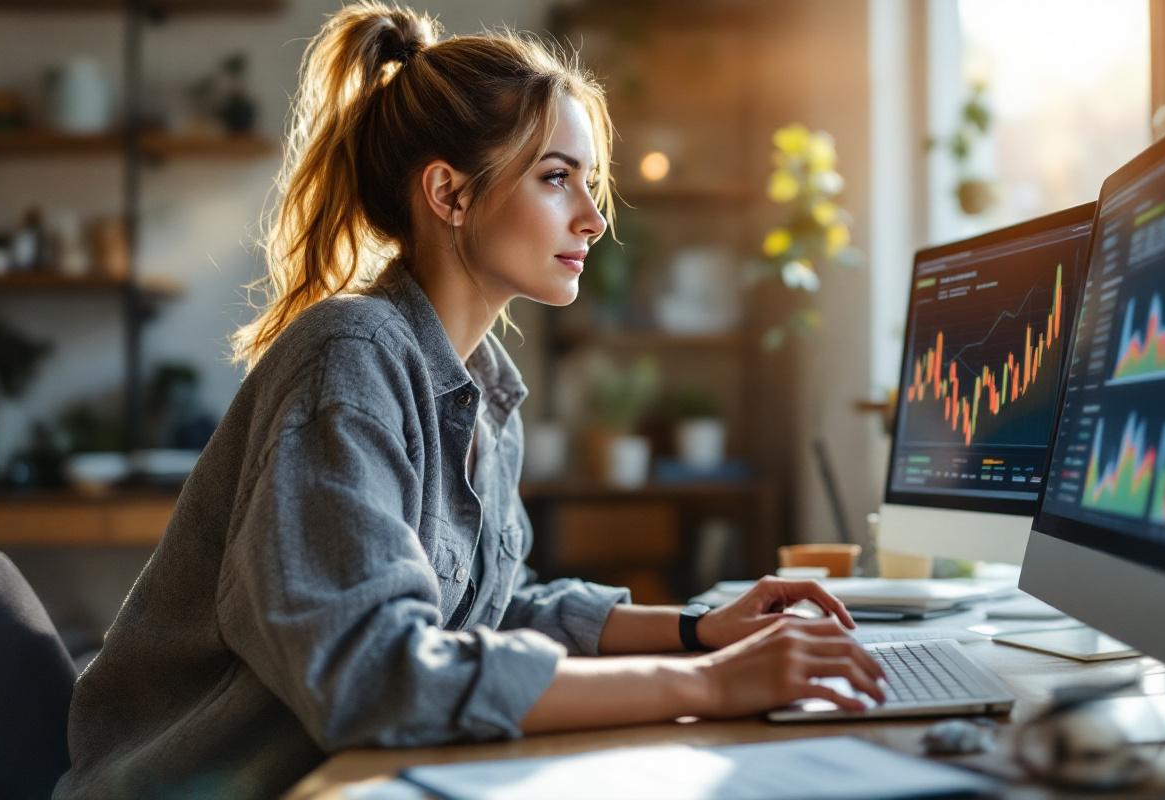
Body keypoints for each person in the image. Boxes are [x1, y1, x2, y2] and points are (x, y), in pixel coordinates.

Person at [53, 4, 885, 798]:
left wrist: (701, 630)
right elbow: (373, 676)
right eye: (558, 178)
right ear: (449, 195)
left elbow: (494, 608)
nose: (594, 219)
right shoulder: (351, 356)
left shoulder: (480, 388)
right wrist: (705, 682)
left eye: (587, 183)